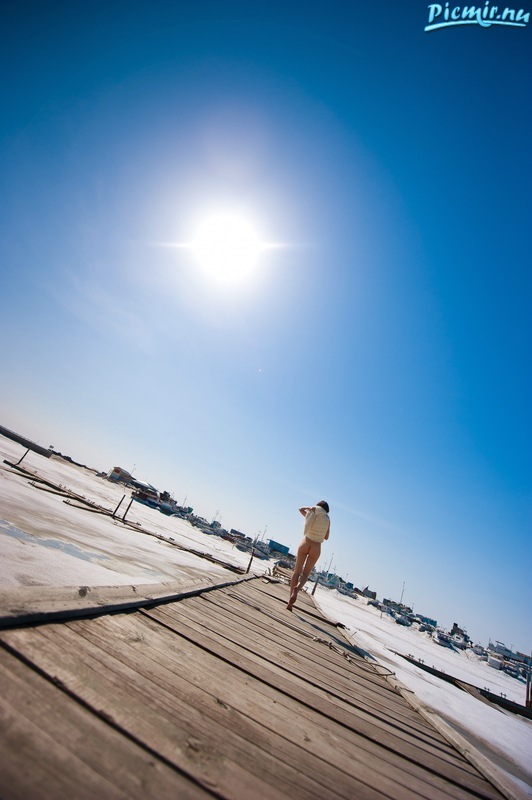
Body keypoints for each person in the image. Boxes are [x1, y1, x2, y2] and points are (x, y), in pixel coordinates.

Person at [286, 500, 330, 611]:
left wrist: (309, 508)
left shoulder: (312, 513)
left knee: (296, 572)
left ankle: (290, 602)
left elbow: (300, 509)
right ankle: (297, 589)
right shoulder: (327, 519)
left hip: (305, 543)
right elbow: (326, 537)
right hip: (316, 547)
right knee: (305, 574)